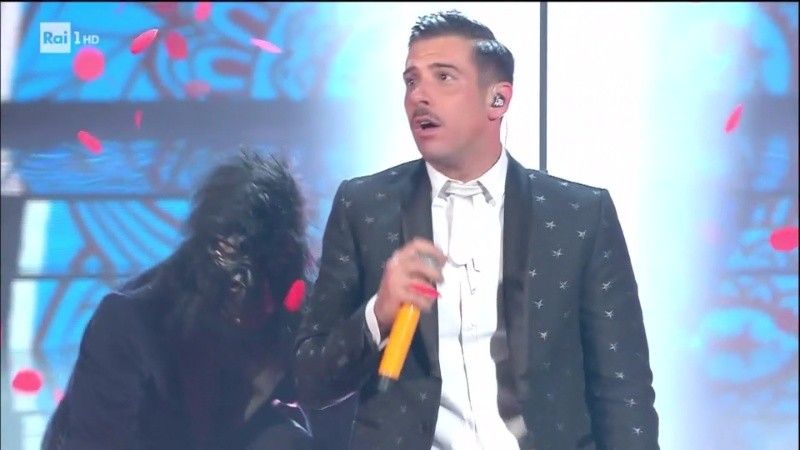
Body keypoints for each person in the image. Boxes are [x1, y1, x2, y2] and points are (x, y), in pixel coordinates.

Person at [293, 10, 659, 450]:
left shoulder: (579, 216)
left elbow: (623, 391)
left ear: (498, 100)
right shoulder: (365, 207)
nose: (419, 95)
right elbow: (310, 381)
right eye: (411, 81)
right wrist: (378, 313)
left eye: (443, 77)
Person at [41, 149, 317, 450]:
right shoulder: (130, 325)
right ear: (209, 245)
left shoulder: (294, 312)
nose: (244, 282)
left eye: (263, 261)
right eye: (232, 254)